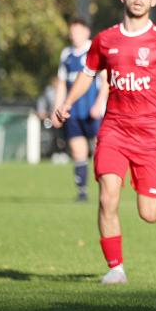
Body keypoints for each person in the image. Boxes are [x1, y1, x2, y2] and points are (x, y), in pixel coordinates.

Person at [52, 0, 156, 285]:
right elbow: (87, 75)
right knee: (107, 197)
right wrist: (68, 103)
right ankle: (115, 268)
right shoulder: (104, 40)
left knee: (148, 212)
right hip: (114, 130)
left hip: (149, 136)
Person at [53, 18, 110, 201]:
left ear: (86, 32)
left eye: (77, 32)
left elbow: (106, 81)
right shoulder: (67, 55)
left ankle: (107, 189)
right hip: (73, 112)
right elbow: (62, 84)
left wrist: (99, 104)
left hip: (92, 111)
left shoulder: (94, 49)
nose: (74, 35)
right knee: (78, 151)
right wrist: (58, 108)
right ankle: (82, 192)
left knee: (100, 151)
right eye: (72, 32)